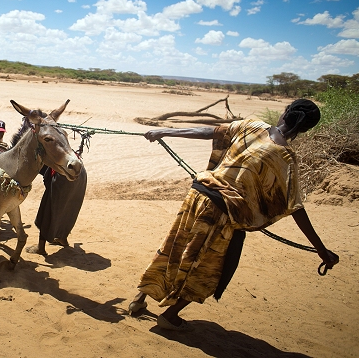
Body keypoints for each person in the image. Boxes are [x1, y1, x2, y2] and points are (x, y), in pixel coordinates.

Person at [128, 99, 339, 331]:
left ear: (286, 112)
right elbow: (295, 207)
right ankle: (170, 315)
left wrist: (164, 131)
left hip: (198, 197)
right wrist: (321, 250)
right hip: (222, 215)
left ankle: (139, 299)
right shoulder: (286, 159)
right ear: (307, 129)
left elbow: (210, 131)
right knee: (210, 271)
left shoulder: (253, 126)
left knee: (173, 247)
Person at [26, 151, 88, 256]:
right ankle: (62, 238)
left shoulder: (43, 151)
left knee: (47, 208)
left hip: (64, 174)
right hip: (80, 173)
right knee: (69, 207)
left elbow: (46, 177)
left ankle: (41, 247)